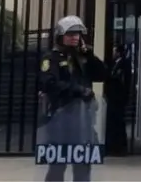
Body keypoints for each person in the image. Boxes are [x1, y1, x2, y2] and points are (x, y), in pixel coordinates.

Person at [38, 15, 106, 182]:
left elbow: (103, 74)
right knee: (57, 166)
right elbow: (49, 84)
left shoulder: (81, 58)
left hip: (83, 119)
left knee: (83, 165)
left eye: (77, 34)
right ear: (60, 36)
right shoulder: (51, 58)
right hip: (61, 119)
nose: (75, 38)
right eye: (70, 34)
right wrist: (78, 90)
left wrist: (89, 55)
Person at [104, 45, 131, 157]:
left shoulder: (124, 64)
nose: (113, 53)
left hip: (118, 98)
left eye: (115, 51)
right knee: (112, 123)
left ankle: (119, 147)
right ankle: (113, 146)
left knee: (118, 122)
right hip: (113, 98)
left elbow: (123, 80)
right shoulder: (115, 64)